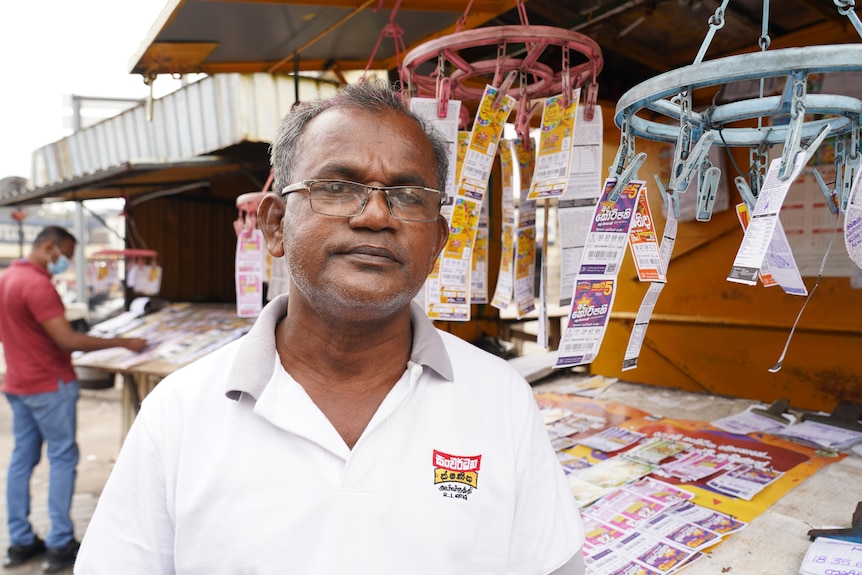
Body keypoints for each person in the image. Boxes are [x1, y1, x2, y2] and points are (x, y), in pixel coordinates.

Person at [75, 79, 585, 574]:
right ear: (275, 225)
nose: (376, 215)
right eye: (339, 187)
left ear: (436, 243)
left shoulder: (500, 400)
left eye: (408, 195)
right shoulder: (181, 411)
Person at [0, 226, 148, 572]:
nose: (64, 261)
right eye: (64, 254)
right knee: (63, 458)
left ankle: (20, 541)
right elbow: (66, 339)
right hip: (49, 385)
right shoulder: (37, 285)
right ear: (49, 248)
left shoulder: (7, 278)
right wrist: (123, 343)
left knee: (22, 460)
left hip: (18, 384)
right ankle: (60, 542)